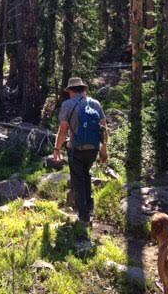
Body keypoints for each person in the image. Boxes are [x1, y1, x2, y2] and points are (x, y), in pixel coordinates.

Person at [53, 77, 109, 225]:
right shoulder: (95, 103)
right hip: (93, 149)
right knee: (86, 175)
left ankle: (83, 217)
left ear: (71, 91)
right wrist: (104, 150)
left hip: (75, 149)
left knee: (78, 180)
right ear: (84, 90)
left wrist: (57, 148)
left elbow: (63, 130)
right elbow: (104, 128)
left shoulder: (67, 105)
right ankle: (89, 207)